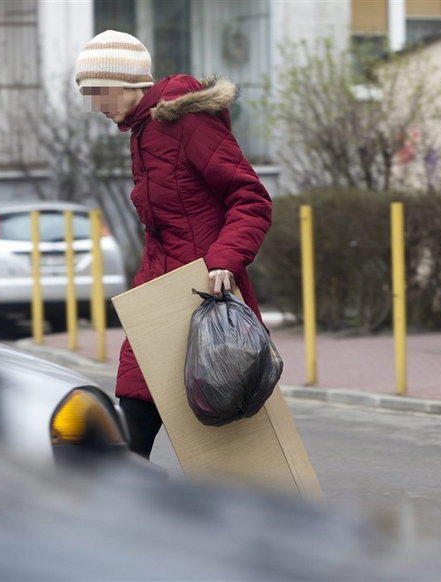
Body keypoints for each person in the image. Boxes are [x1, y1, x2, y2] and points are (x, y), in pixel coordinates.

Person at [75, 30, 273, 458]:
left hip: (207, 297)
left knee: (230, 452)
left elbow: (250, 198)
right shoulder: (142, 134)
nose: (94, 105)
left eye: (97, 92)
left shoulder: (184, 120)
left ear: (125, 83)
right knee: (132, 420)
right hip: (161, 298)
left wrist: (225, 260)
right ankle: (123, 513)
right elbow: (166, 228)